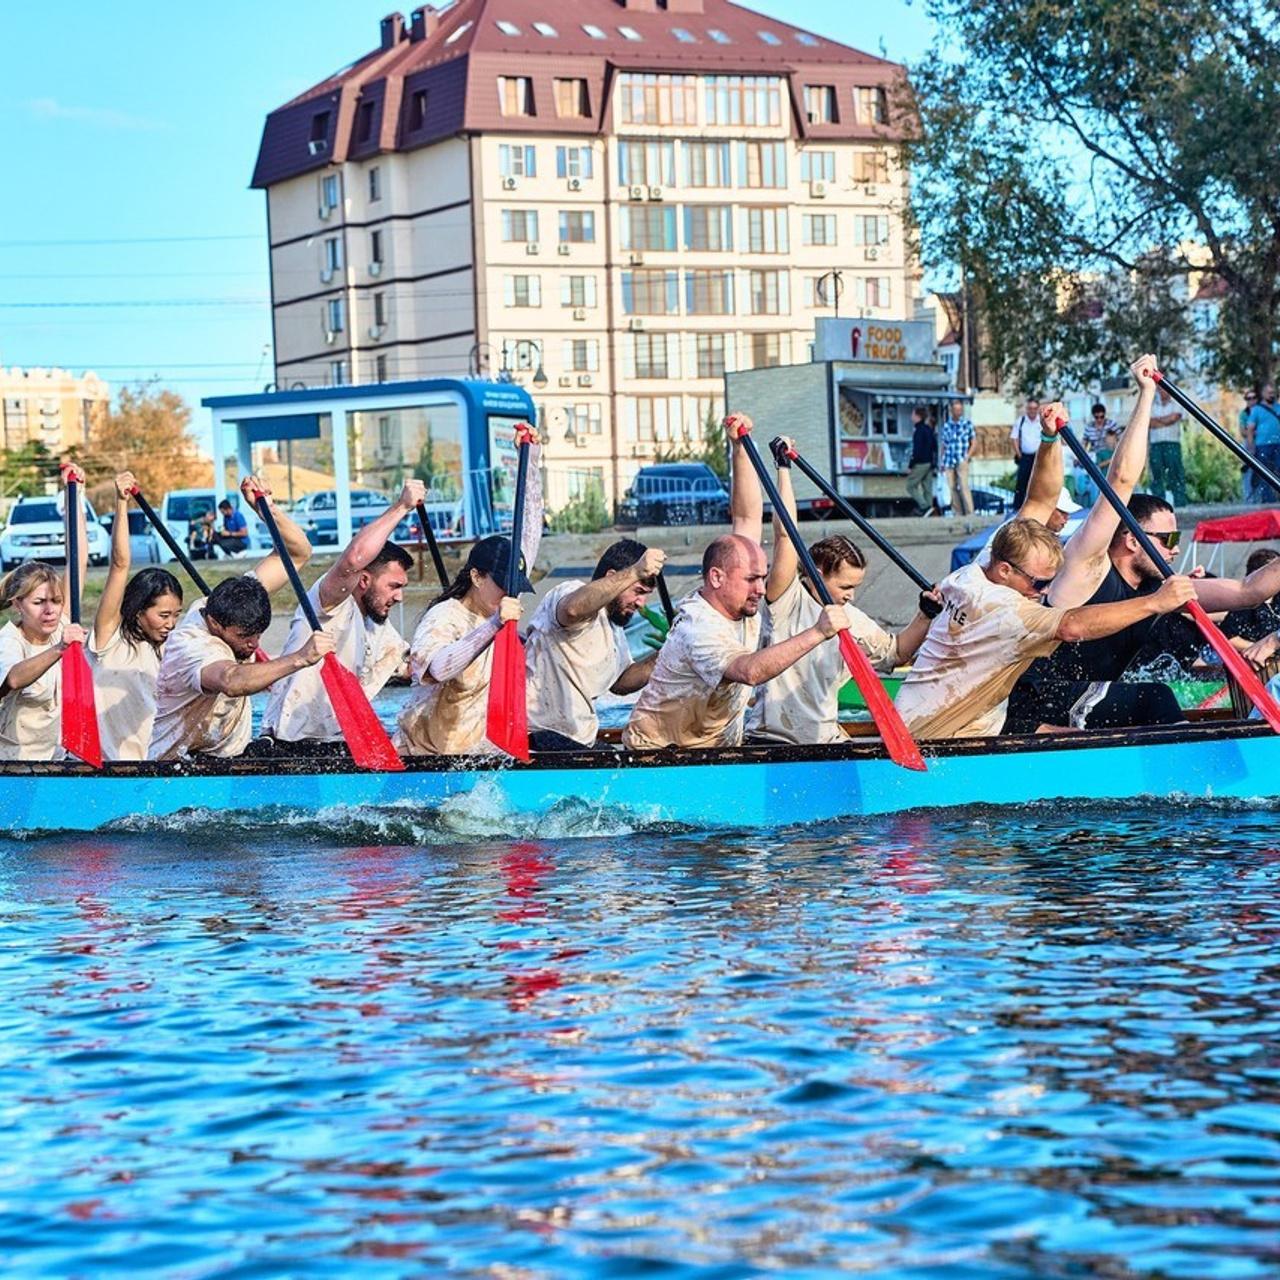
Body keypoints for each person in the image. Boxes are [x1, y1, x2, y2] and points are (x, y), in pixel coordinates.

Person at [623, 415, 851, 751]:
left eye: (761, 577)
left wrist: (739, 448)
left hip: (714, 750)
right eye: (751, 580)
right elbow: (749, 672)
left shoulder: (739, 596)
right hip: (656, 756)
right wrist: (817, 632)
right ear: (717, 578)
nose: (761, 588)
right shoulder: (699, 628)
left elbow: (746, 518)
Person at [894, 517, 1197, 739]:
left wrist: (1049, 438)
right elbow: (1072, 626)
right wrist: (1155, 603)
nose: (1043, 592)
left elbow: (1039, 496)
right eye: (1038, 583)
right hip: (936, 737)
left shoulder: (977, 570)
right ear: (1005, 571)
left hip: (970, 717)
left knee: (1081, 741)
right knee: (1148, 702)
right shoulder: (1006, 608)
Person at [1005, 494, 1280, 733]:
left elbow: (1248, 591)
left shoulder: (1160, 590)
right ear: (1133, 541)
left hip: (1077, 702)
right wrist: (1139, 428)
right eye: (1167, 539)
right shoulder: (1087, 573)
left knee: (1151, 699)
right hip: (1032, 697)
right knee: (1154, 697)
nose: (1176, 548)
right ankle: (1193, 770)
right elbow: (1120, 480)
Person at [744, 436, 939, 746]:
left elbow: (897, 652)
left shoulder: (850, 618)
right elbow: (784, 536)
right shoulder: (785, 598)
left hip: (825, 741)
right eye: (845, 586)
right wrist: (783, 468)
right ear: (818, 574)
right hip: (772, 741)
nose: (851, 595)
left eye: (856, 587)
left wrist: (926, 614)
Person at [148, 476, 326, 760]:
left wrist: (265, 508)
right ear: (216, 624)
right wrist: (301, 658)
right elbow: (230, 680)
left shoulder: (231, 601)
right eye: (245, 636)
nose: (254, 644)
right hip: (175, 766)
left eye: (258, 634)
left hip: (227, 756)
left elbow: (298, 553)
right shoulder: (192, 646)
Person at [256, 480, 423, 756]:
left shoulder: (379, 626)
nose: (400, 597)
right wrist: (401, 507)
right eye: (394, 587)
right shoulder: (329, 603)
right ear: (365, 580)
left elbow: (416, 669)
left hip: (340, 746)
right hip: (288, 747)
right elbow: (353, 559)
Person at [394, 534, 531, 756]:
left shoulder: (496, 613)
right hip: (425, 757)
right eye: (503, 585)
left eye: (516, 587)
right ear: (476, 577)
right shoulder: (444, 617)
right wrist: (495, 624)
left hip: (476, 757)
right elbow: (437, 669)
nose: (511, 594)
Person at [524, 538, 667, 750]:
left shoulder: (614, 627)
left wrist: (664, 656)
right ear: (613, 577)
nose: (641, 603)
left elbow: (620, 682)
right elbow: (571, 610)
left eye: (646, 596)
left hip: (579, 740)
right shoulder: (571, 591)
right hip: (537, 736)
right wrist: (636, 571)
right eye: (637, 592)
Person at [89, 470, 185, 760]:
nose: (171, 623)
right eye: (164, 614)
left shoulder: (173, 646)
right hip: (109, 769)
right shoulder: (109, 635)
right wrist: (121, 503)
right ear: (140, 611)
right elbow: (119, 565)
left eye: (176, 615)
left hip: (156, 767)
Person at [0, 465, 92, 761]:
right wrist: (61, 648)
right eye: (39, 603)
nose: (51, 610)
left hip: (54, 762)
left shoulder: (61, 621)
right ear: (17, 605)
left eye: (55, 600)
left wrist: (73, 496)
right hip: (12, 764)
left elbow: (78, 558)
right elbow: (13, 679)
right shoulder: (9, 641)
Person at [1148, 385, 1187, 505]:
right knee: (1156, 474)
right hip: (1156, 444)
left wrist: (1158, 420)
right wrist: (1165, 420)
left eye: (1164, 388)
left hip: (1172, 442)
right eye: (1159, 389)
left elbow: (1174, 418)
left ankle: (1180, 502)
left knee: (1175, 472)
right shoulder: (1152, 405)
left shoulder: (1176, 403)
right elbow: (1150, 423)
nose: (1161, 391)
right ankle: (1158, 504)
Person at [1246, 382, 1280, 504]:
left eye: (1273, 393)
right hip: (1263, 446)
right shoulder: (1256, 410)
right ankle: (1268, 501)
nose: (1272, 395)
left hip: (1278, 445)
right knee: (1265, 474)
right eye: (1270, 393)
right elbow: (1250, 429)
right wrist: (1251, 448)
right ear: (1263, 394)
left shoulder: (1278, 408)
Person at [939, 400, 975, 516]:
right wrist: (941, 461)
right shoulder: (947, 425)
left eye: (960, 410)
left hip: (961, 458)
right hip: (949, 459)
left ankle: (970, 512)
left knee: (964, 486)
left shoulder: (967, 424)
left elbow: (974, 442)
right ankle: (957, 512)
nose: (958, 412)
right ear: (951, 411)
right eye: (956, 410)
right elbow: (944, 444)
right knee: (952, 488)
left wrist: (968, 456)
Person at [1008, 395, 1042, 509]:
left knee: (1039, 483)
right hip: (1025, 456)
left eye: (1034, 408)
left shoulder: (1041, 422)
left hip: (1039, 457)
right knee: (1022, 483)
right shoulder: (1021, 421)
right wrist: (1019, 454)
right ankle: (1017, 508)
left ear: (1038, 409)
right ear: (1027, 409)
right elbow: (1014, 438)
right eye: (1030, 408)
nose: (1032, 411)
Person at [905, 406, 937, 516]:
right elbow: (934, 446)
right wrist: (934, 462)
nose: (911, 417)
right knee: (927, 487)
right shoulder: (929, 429)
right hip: (930, 462)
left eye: (913, 415)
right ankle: (929, 509)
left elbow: (916, 450)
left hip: (921, 463)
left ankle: (924, 506)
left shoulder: (918, 431)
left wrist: (910, 465)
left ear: (918, 416)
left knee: (910, 485)